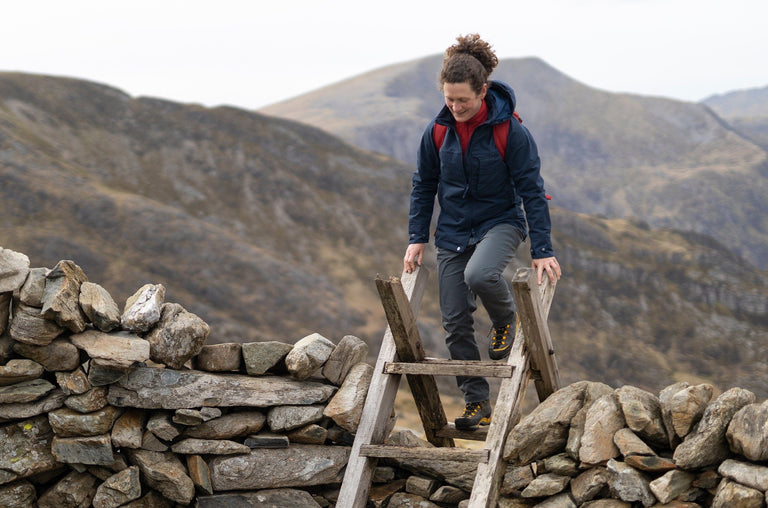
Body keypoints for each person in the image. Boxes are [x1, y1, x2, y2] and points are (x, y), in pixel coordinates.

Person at [403, 34, 561, 430]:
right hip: (453, 231)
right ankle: (478, 403)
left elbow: (532, 191)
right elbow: (424, 184)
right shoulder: (437, 132)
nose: (455, 107)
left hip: (501, 223)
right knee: (455, 321)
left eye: (463, 100)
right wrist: (416, 237)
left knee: (481, 274)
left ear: (483, 91)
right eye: (449, 99)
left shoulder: (511, 132)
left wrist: (542, 248)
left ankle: (506, 318)